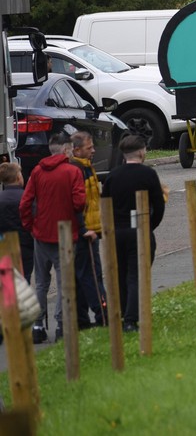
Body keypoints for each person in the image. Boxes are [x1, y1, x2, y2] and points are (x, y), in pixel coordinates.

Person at [19, 132, 85, 343]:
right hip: (66, 233)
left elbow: (25, 203)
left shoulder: (37, 171)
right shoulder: (72, 171)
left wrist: (31, 226)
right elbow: (79, 203)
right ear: (67, 149)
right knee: (64, 280)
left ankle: (38, 326)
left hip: (41, 234)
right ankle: (61, 325)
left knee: (40, 282)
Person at [100, 134, 165, 332]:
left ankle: (119, 314)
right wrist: (149, 226)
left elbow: (105, 203)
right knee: (136, 274)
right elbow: (159, 205)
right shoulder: (148, 175)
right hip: (139, 226)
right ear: (141, 151)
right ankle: (131, 318)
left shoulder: (113, 175)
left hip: (117, 231)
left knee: (119, 274)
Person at [70, 131, 107, 329]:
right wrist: (85, 228)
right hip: (86, 230)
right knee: (92, 274)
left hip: (92, 227)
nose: (93, 150)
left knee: (82, 274)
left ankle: (82, 319)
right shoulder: (78, 170)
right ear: (77, 150)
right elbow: (77, 203)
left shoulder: (85, 167)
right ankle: (103, 314)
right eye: (89, 147)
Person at [0, 162, 35, 282]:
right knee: (24, 280)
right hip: (25, 246)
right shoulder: (26, 198)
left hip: (3, 245)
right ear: (18, 178)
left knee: (7, 283)